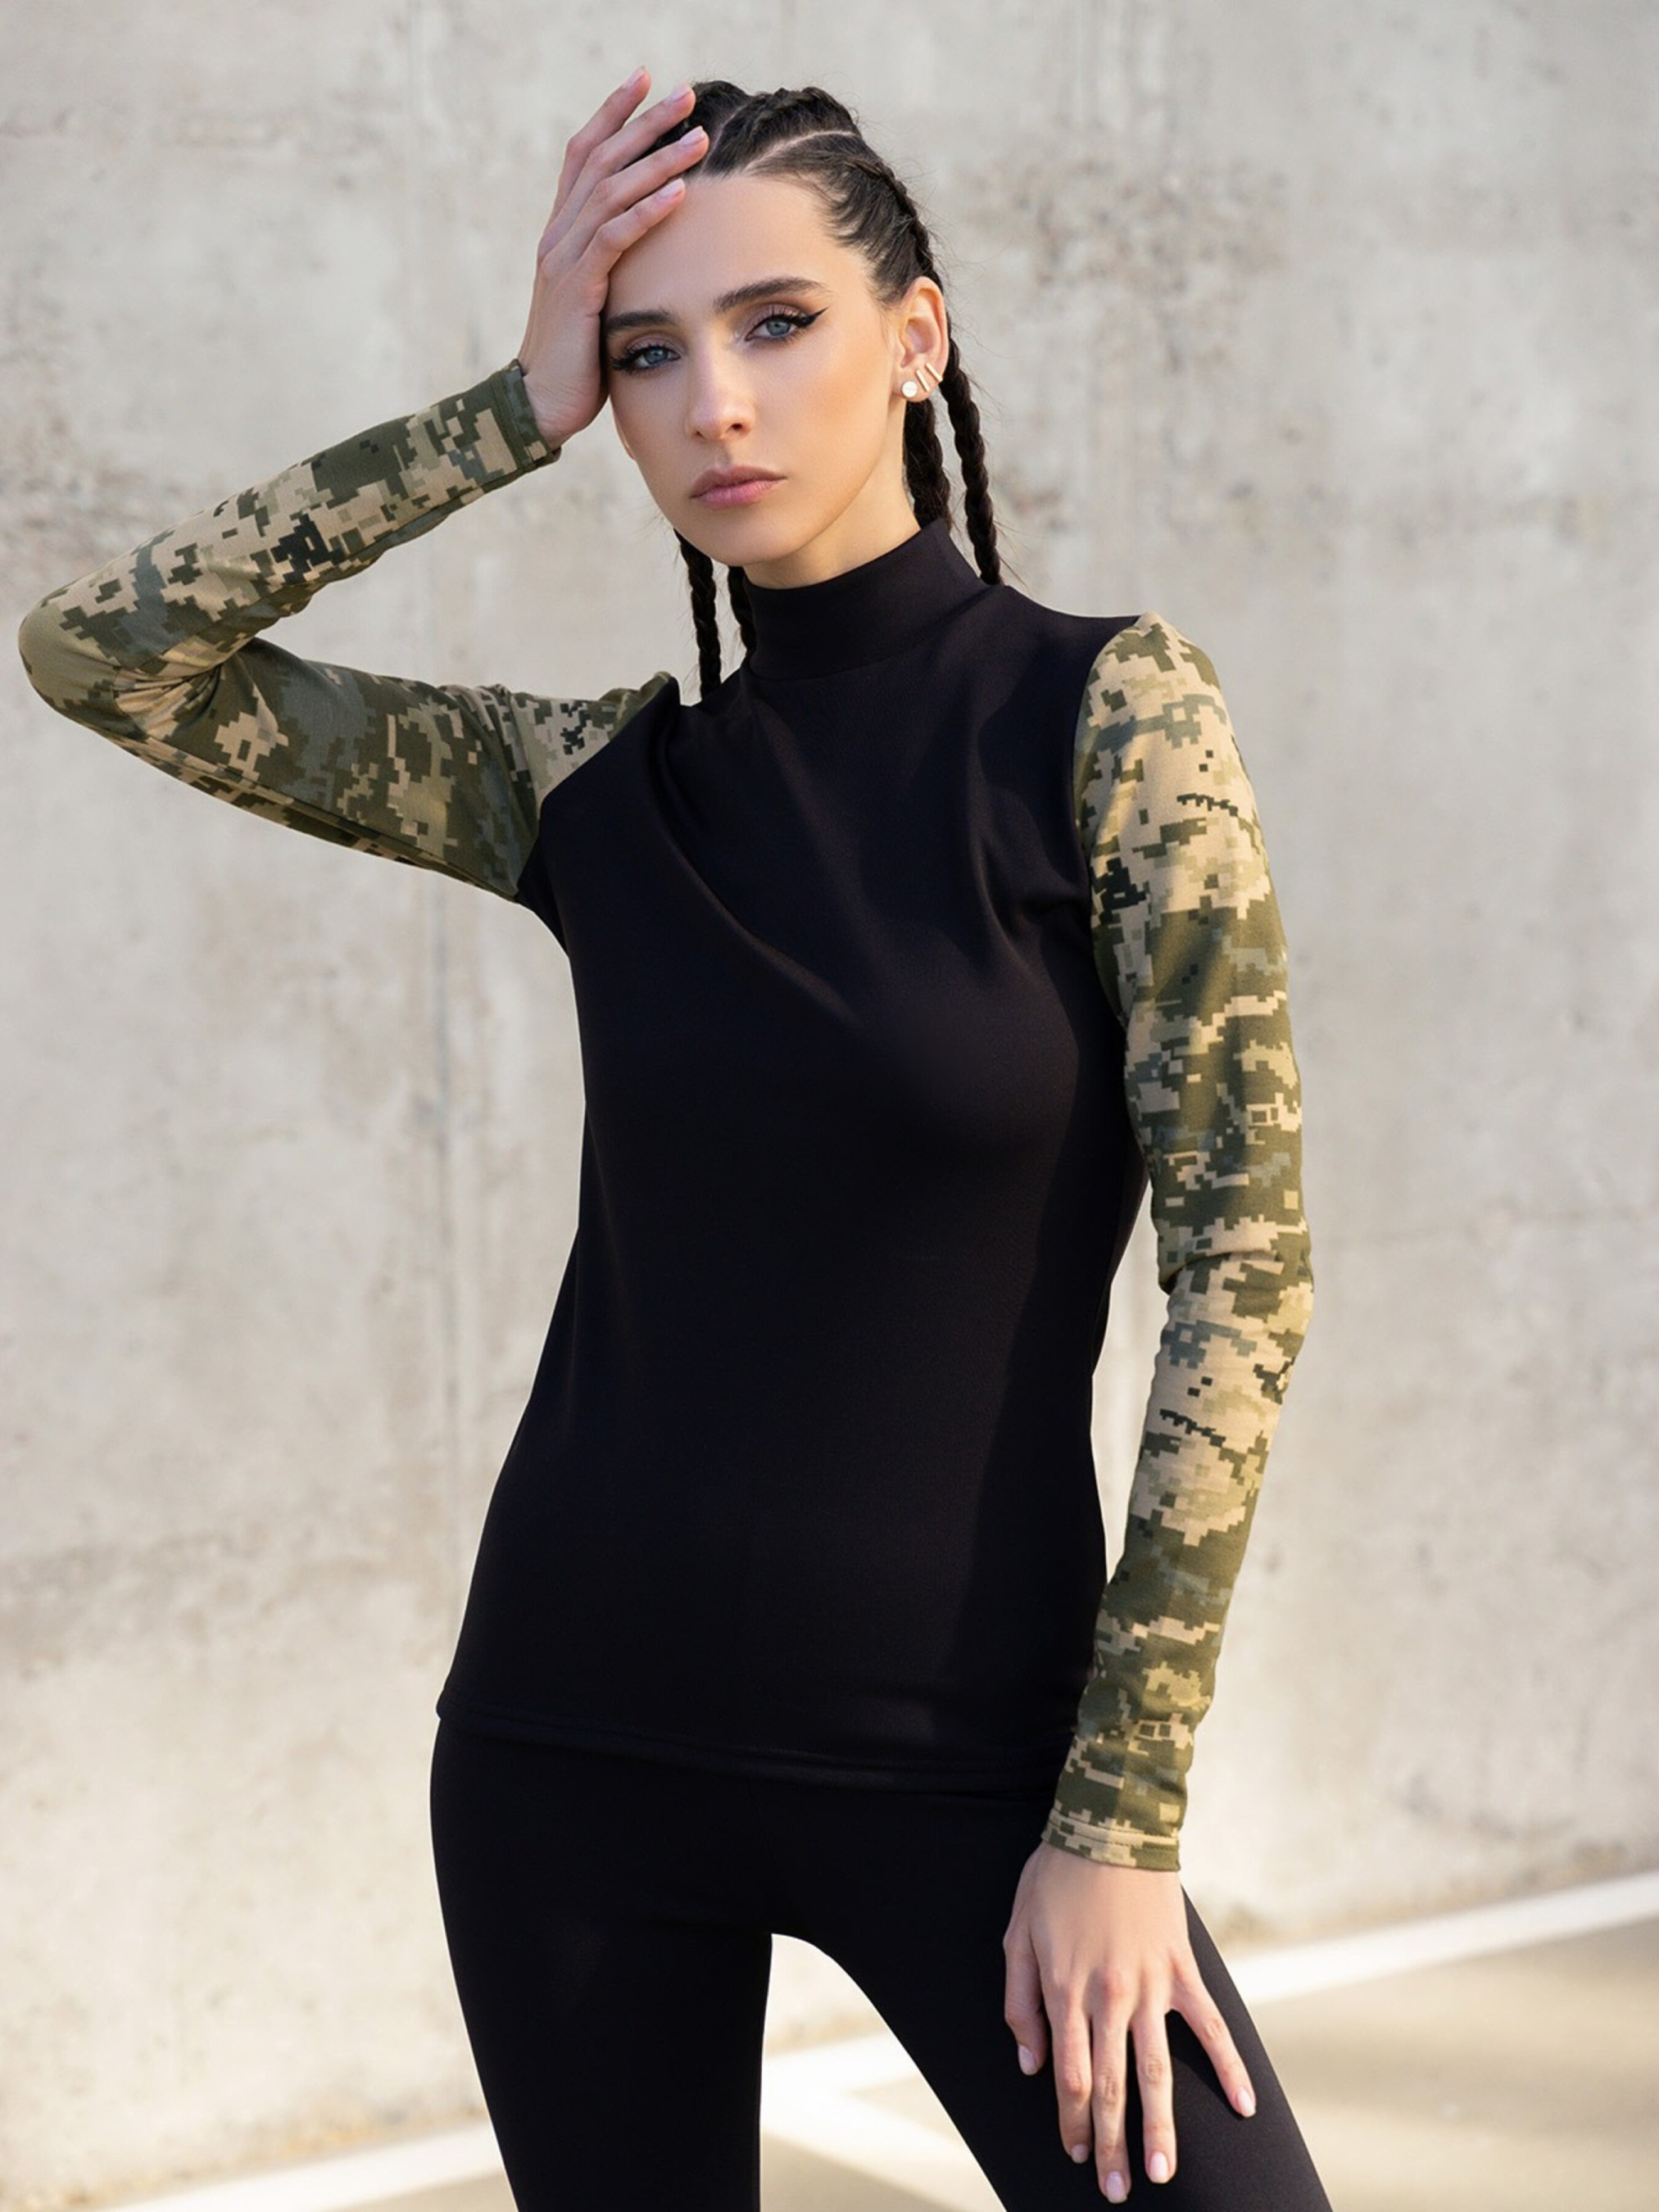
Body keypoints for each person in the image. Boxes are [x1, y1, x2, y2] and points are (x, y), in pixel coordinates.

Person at [16, 66, 1329, 2212]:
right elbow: (109, 654)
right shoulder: (588, 790)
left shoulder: (1105, 719)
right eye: (647, 353)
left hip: (983, 1770)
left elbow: (1246, 1271)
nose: (712, 400)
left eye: (777, 322)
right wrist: (505, 406)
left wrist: (1120, 1813)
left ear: (915, 336)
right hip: (574, 1757)